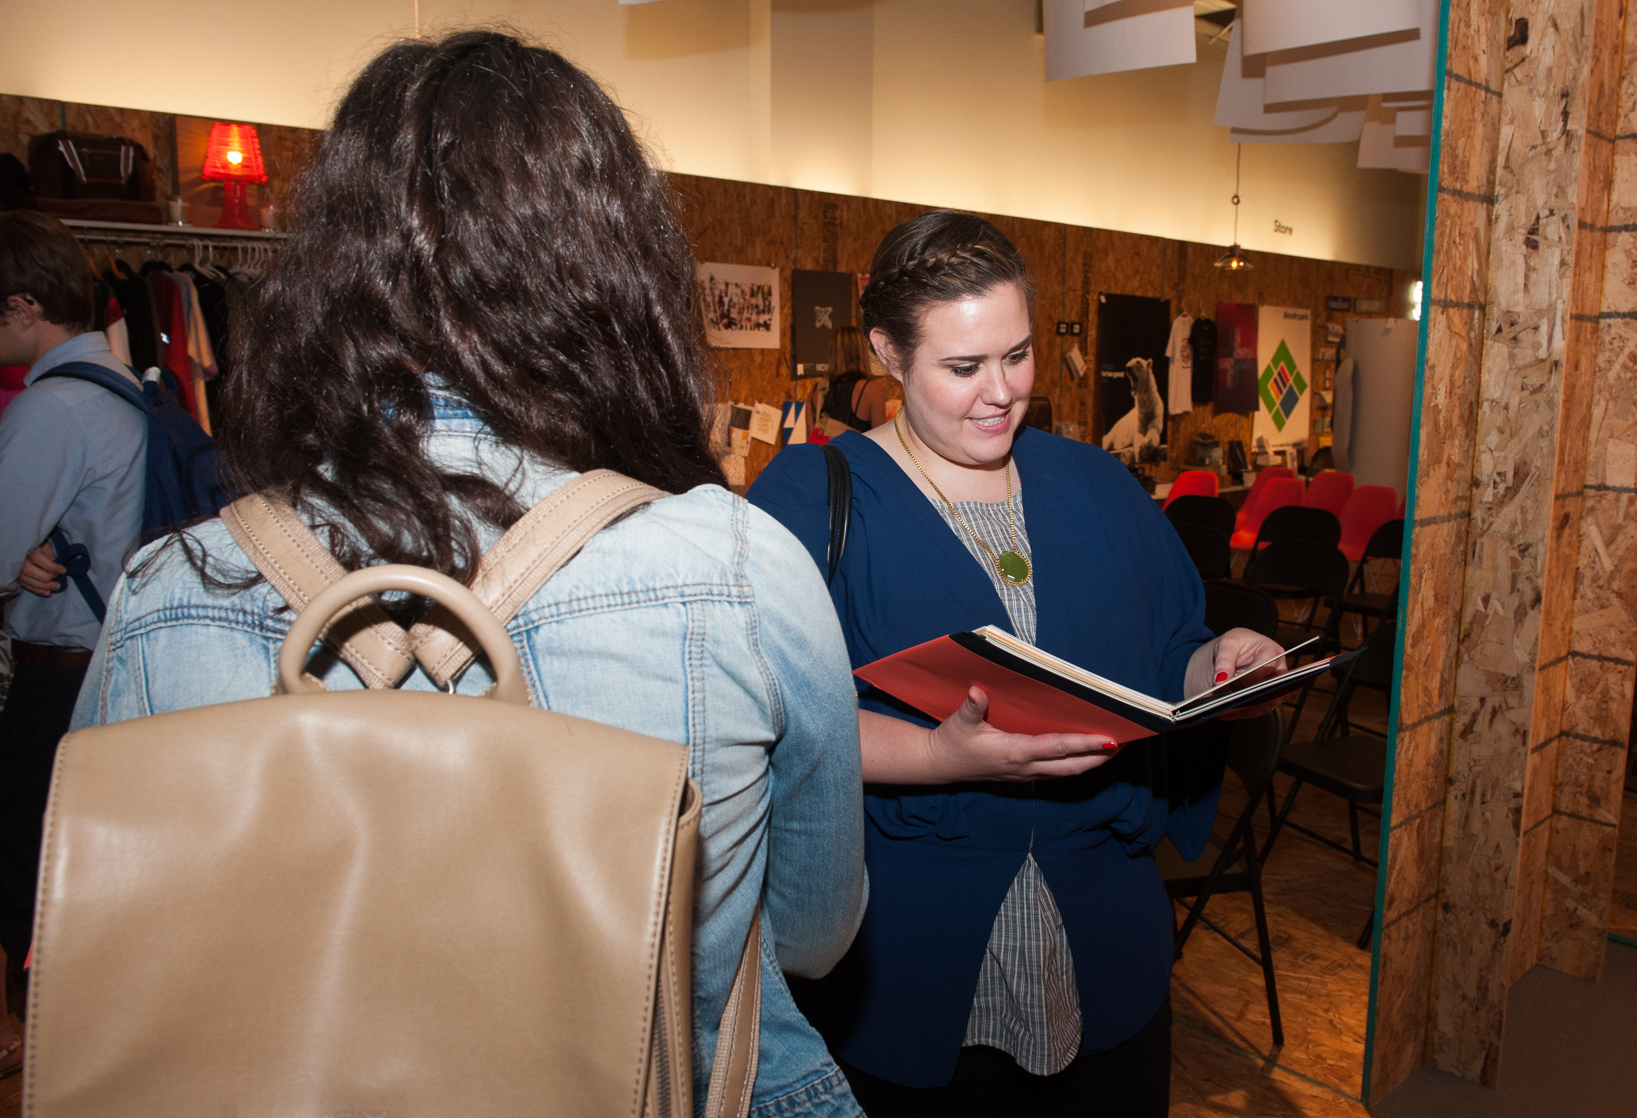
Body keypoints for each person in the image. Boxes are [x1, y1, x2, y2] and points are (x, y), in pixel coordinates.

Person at [69, 32, 868, 1117]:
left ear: (330, 273)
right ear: (618, 273)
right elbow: (816, 937)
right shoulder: (737, 569)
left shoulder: (169, 588)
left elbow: (110, 926)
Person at [748, 211, 1284, 1117]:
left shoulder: (1096, 484)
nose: (1000, 392)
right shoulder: (812, 497)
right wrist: (934, 758)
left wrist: (1221, 668)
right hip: (909, 944)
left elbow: (1171, 651)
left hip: (1102, 934)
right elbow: (771, 710)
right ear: (888, 351)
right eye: (963, 368)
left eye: (1018, 355)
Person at [0, 209, 148, 1045]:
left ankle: (40, 1040)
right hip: (112, 654)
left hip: (59, 668)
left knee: (29, 857)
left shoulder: (50, 409)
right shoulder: (123, 385)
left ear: (22, 307)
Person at [822, 325, 890, 430]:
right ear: (861, 352)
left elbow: (811, 439)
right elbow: (879, 441)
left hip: (823, 446)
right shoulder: (872, 390)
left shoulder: (817, 391)